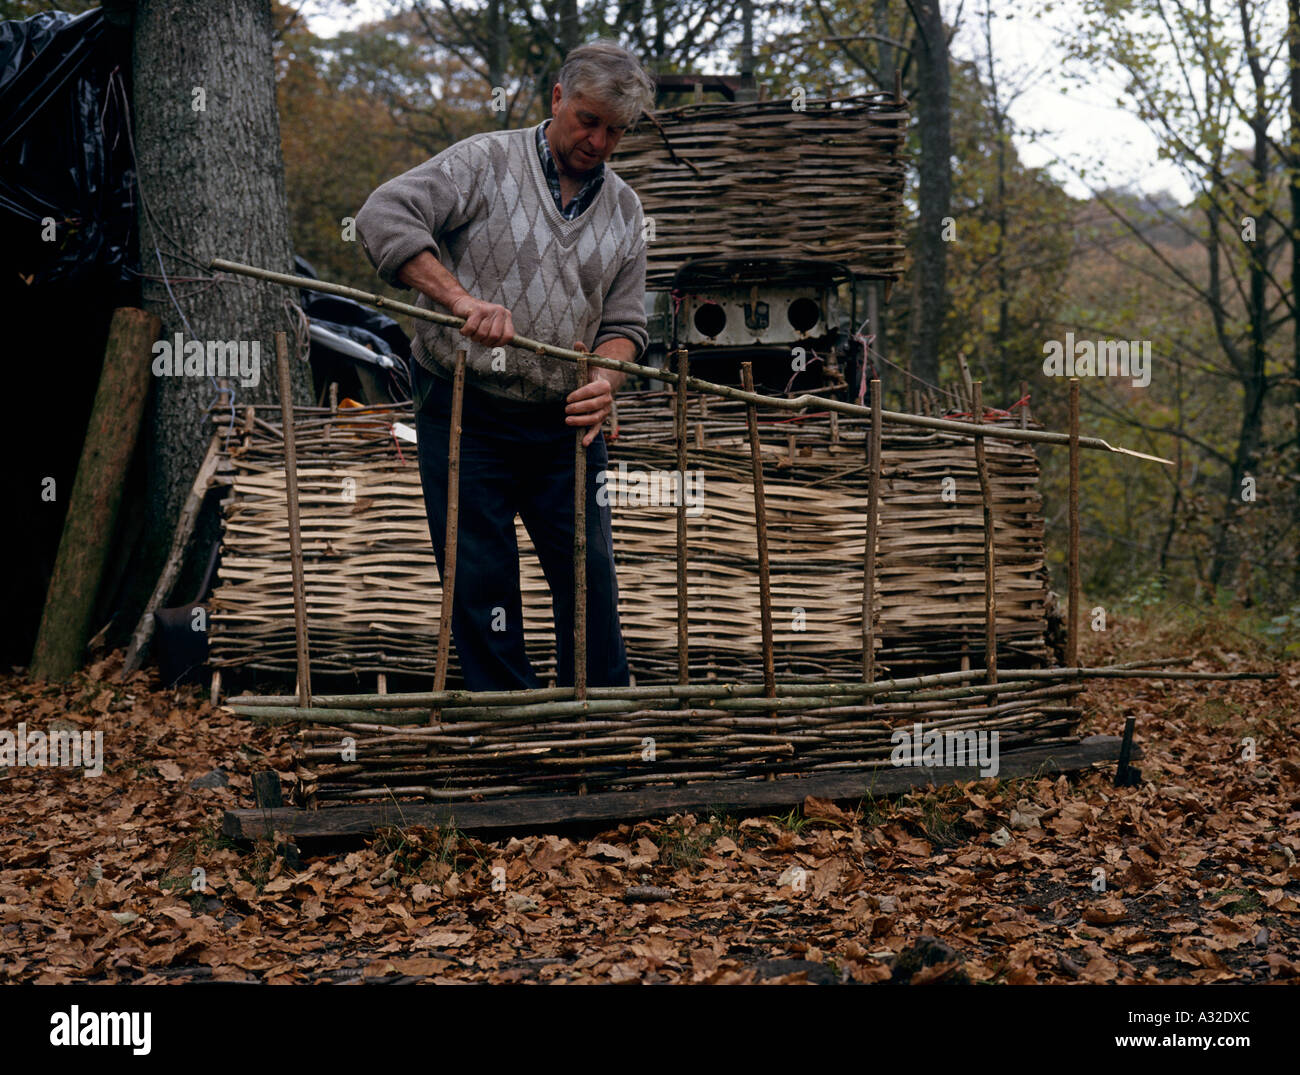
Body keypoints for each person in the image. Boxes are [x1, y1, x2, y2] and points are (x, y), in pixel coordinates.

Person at [355, 40, 655, 692]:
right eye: (588, 120)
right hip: (465, 407)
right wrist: (461, 300)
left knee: (590, 573)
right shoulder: (484, 163)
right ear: (557, 98)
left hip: (563, 422)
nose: (599, 141)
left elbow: (625, 327)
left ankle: (599, 723)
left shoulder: (627, 212)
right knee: (480, 574)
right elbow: (382, 214)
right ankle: (512, 729)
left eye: (616, 130)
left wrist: (604, 381)